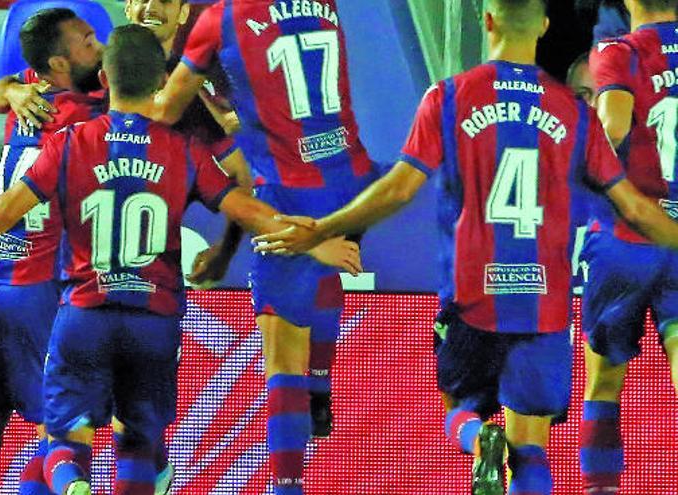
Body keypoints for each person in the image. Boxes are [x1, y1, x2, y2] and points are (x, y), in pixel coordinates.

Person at [0, 24, 360, 495]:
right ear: (161, 84)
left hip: (83, 313)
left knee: (59, 441)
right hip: (152, 320)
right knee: (138, 444)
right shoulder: (184, 150)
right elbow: (251, 210)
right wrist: (315, 240)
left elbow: (1, 212)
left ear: (107, 79)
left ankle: (72, 483)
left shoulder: (69, 140)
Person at [253, 0, 678, 494]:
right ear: (543, 25)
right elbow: (635, 205)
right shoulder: (575, 112)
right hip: (544, 302)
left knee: (457, 409)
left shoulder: (450, 97)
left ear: (488, 20)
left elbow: (397, 189)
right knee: (533, 448)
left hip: (473, 295)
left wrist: (324, 228)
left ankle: (479, 439)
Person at [151, 0, 380, 490]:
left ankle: (286, 485)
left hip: (291, 189)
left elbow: (164, 110)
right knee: (324, 272)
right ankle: (320, 384)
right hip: (356, 177)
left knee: (281, 355)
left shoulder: (220, 19)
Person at [0, 9, 105, 495]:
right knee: (57, 439)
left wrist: (11, 89)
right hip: (42, 290)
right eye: (87, 41)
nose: (98, 47)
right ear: (59, 63)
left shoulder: (27, 97)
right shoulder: (89, 114)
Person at [583, 0, 678, 493]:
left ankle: (602, 487)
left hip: (628, 237)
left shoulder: (619, 52)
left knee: (603, 381)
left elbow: (611, 130)